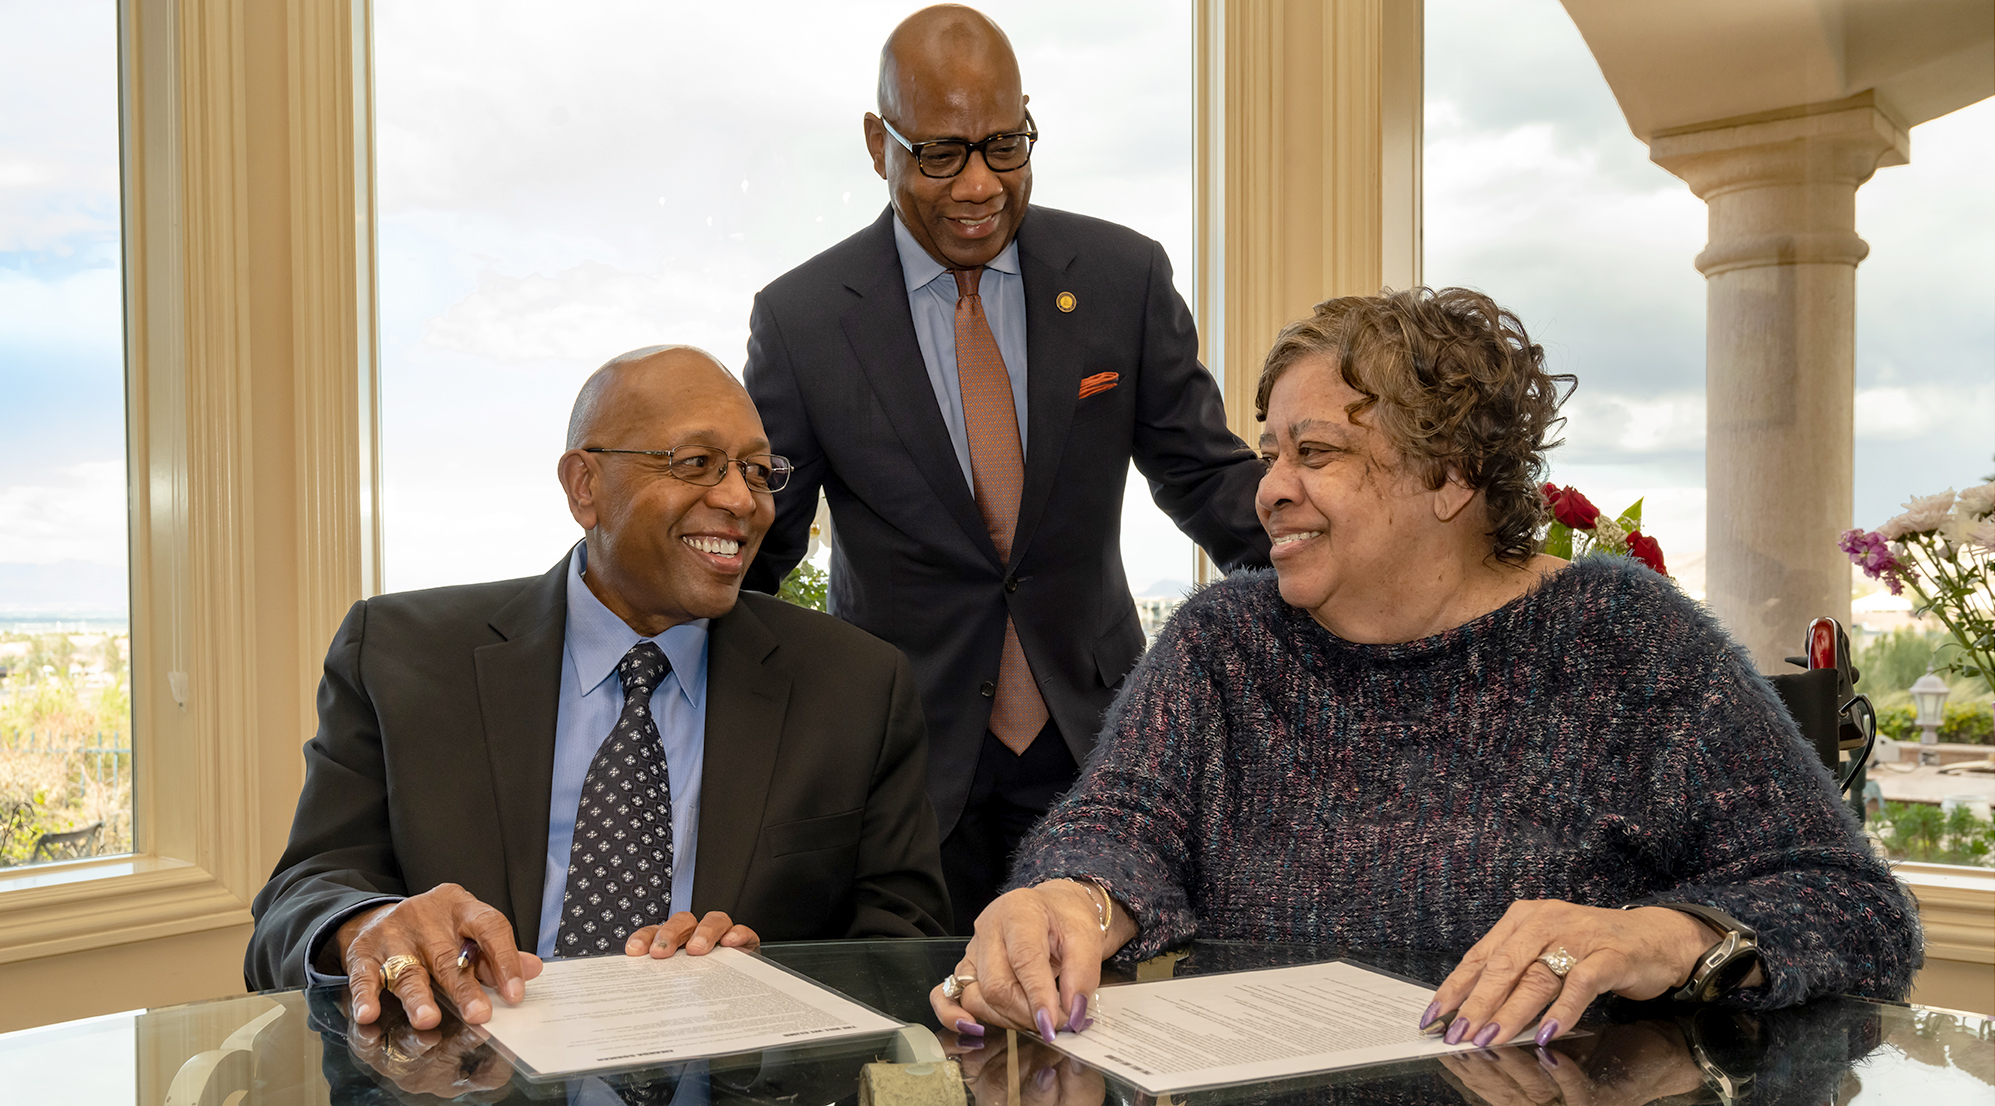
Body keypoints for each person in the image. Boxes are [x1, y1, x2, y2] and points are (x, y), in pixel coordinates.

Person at [930, 288, 1922, 1047]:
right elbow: (1119, 830)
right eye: (1268, 452)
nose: (1268, 489)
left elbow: (1854, 904)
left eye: (1312, 451)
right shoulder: (1224, 642)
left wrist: (1664, 935)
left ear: (1450, 476)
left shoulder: (1621, 639)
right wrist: (1069, 898)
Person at [742, 4, 1270, 933]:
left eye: (1005, 145)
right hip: (905, 759)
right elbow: (761, 552)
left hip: (1095, 740)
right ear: (878, 143)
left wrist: (1345, 566)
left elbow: (1204, 479)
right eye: (940, 154)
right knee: (923, 1040)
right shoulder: (803, 320)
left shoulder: (1121, 274)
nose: (978, 184)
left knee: (1100, 1031)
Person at [247, 346, 949, 1031]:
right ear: (585, 486)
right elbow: (298, 898)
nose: (740, 499)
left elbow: (902, 940)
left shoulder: (854, 685)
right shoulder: (401, 654)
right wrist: (370, 925)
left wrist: (772, 985)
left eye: (759, 472)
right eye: (696, 463)